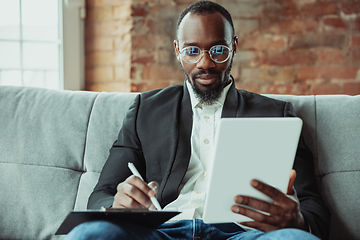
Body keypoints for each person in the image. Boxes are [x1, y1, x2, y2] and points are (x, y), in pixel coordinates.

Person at [65, 1, 330, 239]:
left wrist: (297, 220)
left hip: (242, 234)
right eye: (192, 51)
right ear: (178, 50)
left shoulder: (277, 114)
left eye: (217, 50)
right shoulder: (145, 110)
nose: (205, 63)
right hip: (162, 233)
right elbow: (102, 192)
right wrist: (117, 205)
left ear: (233, 47)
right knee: (91, 233)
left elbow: (313, 207)